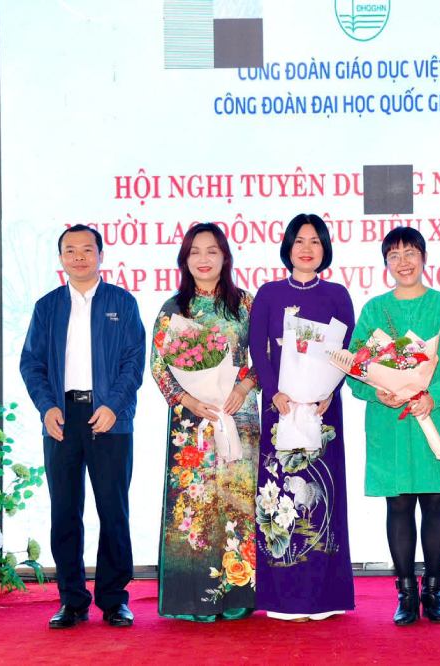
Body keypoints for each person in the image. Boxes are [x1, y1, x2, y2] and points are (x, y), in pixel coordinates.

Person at [20, 224, 145, 629]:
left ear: (101, 255)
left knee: (113, 511)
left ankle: (114, 599)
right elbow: (31, 363)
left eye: (86, 250)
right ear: (60, 259)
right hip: (62, 418)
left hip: (110, 417)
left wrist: (113, 406)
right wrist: (45, 407)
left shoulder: (121, 303)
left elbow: (133, 362)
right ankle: (72, 600)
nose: (78, 257)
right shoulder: (47, 307)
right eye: (70, 250)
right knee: (65, 512)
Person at [348, 226, 440, 625]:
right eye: (394, 255)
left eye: (410, 253)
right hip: (391, 423)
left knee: (436, 502)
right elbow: (355, 368)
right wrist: (378, 392)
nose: (403, 262)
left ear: (424, 257)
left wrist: (431, 395)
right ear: (385, 263)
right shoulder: (373, 310)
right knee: (398, 504)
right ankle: (405, 594)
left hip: (437, 415)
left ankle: (434, 591)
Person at [248, 213, 356, 621]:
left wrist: (332, 391)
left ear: (325, 247)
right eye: (299, 241)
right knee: (281, 495)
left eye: (314, 241)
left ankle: (324, 596)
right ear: (288, 247)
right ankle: (284, 597)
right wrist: (274, 392)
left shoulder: (337, 294)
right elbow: (259, 348)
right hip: (281, 408)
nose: (307, 248)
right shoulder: (270, 293)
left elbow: (346, 353)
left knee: (322, 497)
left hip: (324, 410)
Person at [149, 222, 259, 621]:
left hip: (236, 417)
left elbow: (264, 359)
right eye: (195, 251)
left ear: (225, 257)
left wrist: (244, 387)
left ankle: (235, 597)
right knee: (194, 509)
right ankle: (192, 598)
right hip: (191, 423)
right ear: (185, 259)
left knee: (235, 504)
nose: (204, 258)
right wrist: (188, 399)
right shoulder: (174, 308)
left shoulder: (246, 304)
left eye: (212, 251)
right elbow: (159, 366)